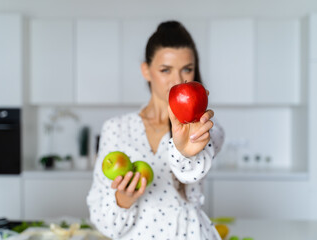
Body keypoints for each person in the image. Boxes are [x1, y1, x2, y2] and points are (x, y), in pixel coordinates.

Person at [87, 20, 225, 240]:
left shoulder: (208, 130)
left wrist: (185, 151)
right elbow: (104, 222)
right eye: (165, 70)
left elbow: (191, 173)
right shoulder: (116, 128)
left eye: (187, 69)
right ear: (146, 70)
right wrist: (124, 199)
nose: (178, 80)